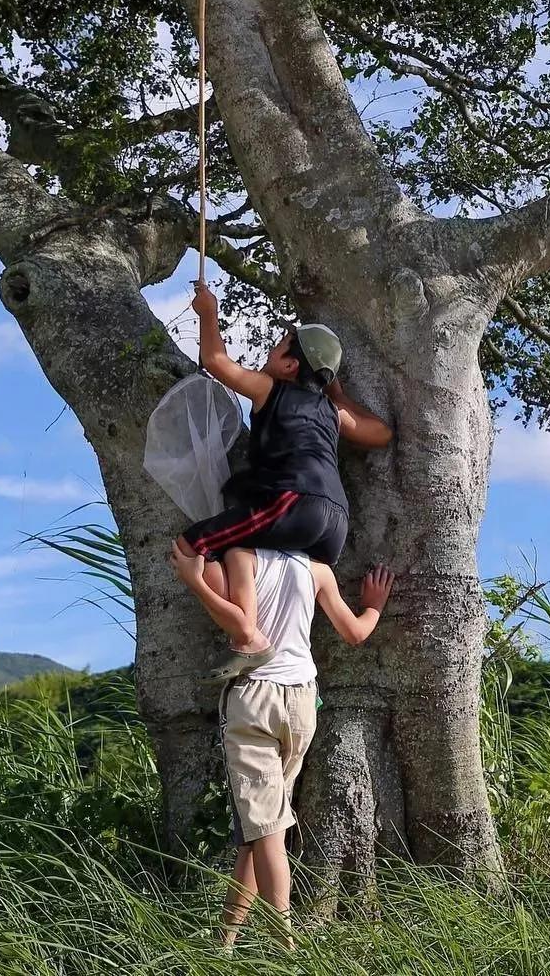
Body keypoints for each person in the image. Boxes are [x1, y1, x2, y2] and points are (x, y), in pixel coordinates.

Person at [168, 540, 394, 948]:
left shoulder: (242, 557)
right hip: (302, 702)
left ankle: (285, 946)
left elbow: (244, 629)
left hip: (256, 698)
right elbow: (355, 632)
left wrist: (195, 581)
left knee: (266, 829)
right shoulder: (318, 570)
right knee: (262, 829)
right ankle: (224, 942)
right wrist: (374, 606)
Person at [174, 281, 392, 682]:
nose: (270, 353)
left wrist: (208, 312)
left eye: (277, 347)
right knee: (239, 549)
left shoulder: (269, 390)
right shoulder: (332, 412)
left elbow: (215, 360)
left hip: (294, 502)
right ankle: (250, 625)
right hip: (335, 522)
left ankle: (249, 636)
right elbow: (381, 433)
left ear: (291, 366)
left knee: (192, 547)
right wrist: (336, 393)